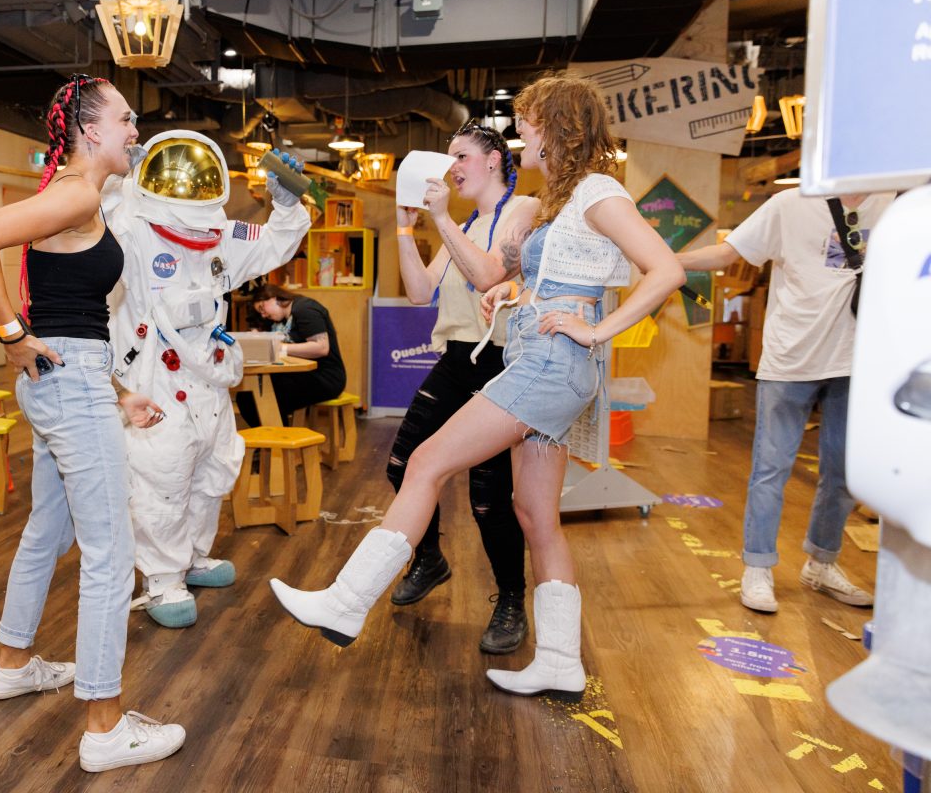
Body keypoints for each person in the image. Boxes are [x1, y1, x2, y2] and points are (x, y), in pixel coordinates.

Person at [270, 73, 686, 698]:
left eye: (532, 121)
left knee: (426, 462)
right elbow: (570, 276)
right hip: (542, 358)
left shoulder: (597, 192)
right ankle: (560, 660)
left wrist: (597, 333)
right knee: (534, 514)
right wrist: (514, 293)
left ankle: (347, 601)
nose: (523, 132)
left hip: (551, 363)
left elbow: (666, 269)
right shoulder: (567, 198)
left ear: (560, 127)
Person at [0, 74, 185, 773]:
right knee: (111, 556)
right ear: (90, 132)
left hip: (71, 385)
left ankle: (14, 663)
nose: (134, 132)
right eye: (125, 120)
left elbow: (71, 321)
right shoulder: (79, 194)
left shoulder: (82, 198)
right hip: (65, 387)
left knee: (47, 532)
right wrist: (9, 334)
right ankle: (105, 727)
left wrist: (113, 393)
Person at [104, 132, 311, 628]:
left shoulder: (219, 235)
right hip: (153, 371)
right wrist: (117, 178)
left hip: (209, 374)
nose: (187, 190)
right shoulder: (131, 226)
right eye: (175, 181)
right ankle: (161, 579)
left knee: (211, 468)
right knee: (162, 475)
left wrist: (285, 203)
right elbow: (101, 211)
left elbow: (277, 243)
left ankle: (194, 557)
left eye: (198, 183)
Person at [679, 186, 892, 613]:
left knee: (843, 474)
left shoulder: (893, 202)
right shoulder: (791, 204)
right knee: (770, 470)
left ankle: (822, 563)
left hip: (856, 360)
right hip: (790, 359)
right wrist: (659, 259)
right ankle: (757, 568)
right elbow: (726, 255)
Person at [387, 122, 534, 655]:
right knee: (400, 465)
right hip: (454, 359)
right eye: (450, 158)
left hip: (498, 363)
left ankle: (512, 600)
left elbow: (492, 275)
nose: (452, 167)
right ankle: (430, 559)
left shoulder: (525, 209)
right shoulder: (464, 224)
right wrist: (406, 229)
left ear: (494, 158)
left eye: (462, 156)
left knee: (488, 498)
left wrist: (442, 218)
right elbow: (419, 293)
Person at [239, 283, 346, 426]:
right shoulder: (281, 320)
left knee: (263, 395)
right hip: (301, 375)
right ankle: (273, 442)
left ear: (272, 296)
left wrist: (281, 348)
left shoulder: (305, 309)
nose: (263, 315)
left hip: (325, 377)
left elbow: (322, 348)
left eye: (262, 308)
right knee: (247, 395)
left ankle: (276, 443)